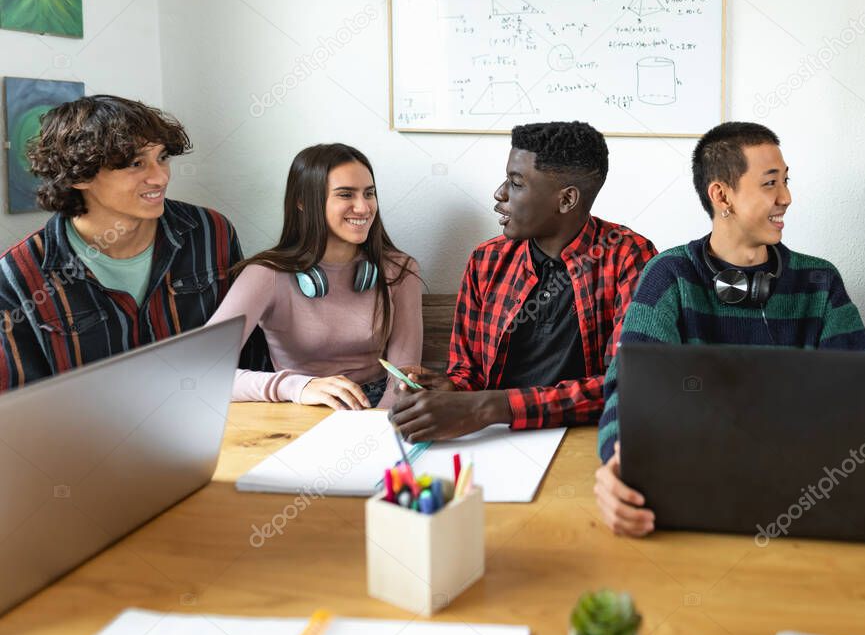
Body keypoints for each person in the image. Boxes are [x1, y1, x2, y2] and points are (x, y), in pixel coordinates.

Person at [595, 121, 865, 537]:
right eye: (770, 184)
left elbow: (864, 394)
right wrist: (619, 461)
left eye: (786, 181)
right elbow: (629, 389)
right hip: (695, 492)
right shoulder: (669, 276)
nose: (786, 198)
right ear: (722, 195)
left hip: (805, 495)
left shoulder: (819, 281)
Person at [388, 121, 657, 441]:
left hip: (583, 440)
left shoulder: (630, 258)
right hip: (493, 439)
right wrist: (449, 390)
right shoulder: (485, 261)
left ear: (567, 199)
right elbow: (467, 374)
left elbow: (625, 384)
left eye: (516, 183)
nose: (499, 193)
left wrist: (488, 407)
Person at [0, 95, 244, 393]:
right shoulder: (17, 276)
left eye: (162, 157)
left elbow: (248, 349)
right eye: (136, 163)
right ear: (80, 175)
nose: (160, 177)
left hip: (226, 426)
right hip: (88, 437)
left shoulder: (210, 232)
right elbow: (19, 404)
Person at [207, 144, 421, 409]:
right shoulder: (265, 274)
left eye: (369, 193)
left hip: (377, 408)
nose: (363, 207)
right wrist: (297, 386)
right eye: (346, 194)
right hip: (298, 406)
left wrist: (377, 425)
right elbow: (201, 372)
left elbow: (403, 377)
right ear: (303, 202)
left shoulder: (400, 270)